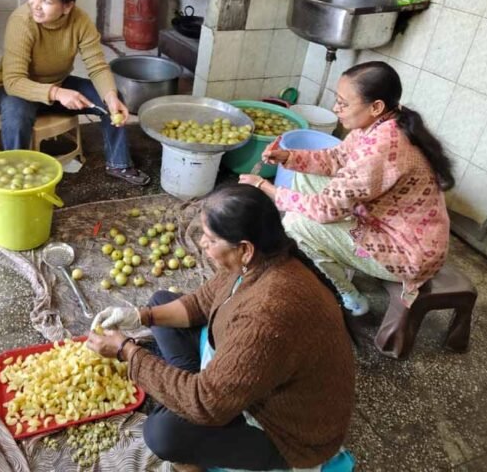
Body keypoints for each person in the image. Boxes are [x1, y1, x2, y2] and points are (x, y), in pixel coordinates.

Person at [87, 184, 355, 472]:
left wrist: (128, 352)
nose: (202, 243)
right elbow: (201, 303)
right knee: (161, 302)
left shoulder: (267, 316)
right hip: (244, 378)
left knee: (163, 435)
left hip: (285, 432)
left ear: (245, 249)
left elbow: (207, 404)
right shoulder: (256, 263)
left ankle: (183, 398)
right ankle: (184, 389)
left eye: (211, 238)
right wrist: (141, 316)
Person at [239, 61, 454, 316]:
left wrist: (266, 187)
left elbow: (324, 210)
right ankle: (336, 254)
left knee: (298, 225)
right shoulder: (381, 122)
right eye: (337, 100)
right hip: (386, 221)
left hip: (406, 251)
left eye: (343, 103)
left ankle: (347, 295)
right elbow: (336, 159)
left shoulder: (383, 147)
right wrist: (288, 157)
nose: (335, 108)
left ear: (376, 106)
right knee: (304, 178)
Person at [0, 0, 150, 186]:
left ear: (67, 7)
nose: (35, 5)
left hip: (58, 83)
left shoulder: (80, 21)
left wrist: (111, 96)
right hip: (17, 91)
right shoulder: (22, 22)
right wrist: (57, 93)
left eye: (46, 1)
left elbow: (97, 65)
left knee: (112, 99)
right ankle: (16, 179)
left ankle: (119, 163)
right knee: (17, 117)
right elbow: (13, 81)